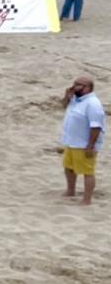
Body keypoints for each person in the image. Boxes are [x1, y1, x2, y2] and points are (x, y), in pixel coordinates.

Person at [61, 75, 104, 206]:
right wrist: (67, 96)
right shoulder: (75, 99)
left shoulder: (93, 104)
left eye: (79, 85)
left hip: (84, 143)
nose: (75, 86)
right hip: (71, 141)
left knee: (87, 172)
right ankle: (70, 190)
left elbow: (96, 126)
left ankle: (87, 199)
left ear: (88, 88)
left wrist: (91, 145)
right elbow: (63, 106)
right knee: (68, 167)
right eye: (75, 83)